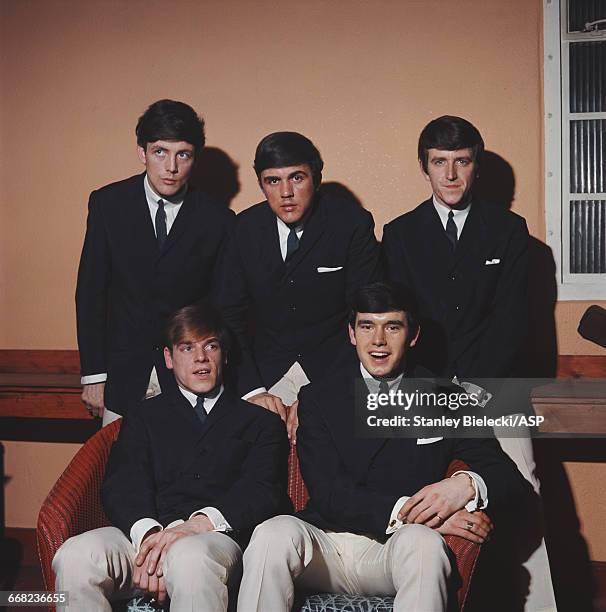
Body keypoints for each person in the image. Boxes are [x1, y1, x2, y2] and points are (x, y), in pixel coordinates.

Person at [238, 282, 528, 612]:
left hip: (391, 551)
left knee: (425, 546)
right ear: (352, 334)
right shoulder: (319, 397)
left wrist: (464, 485)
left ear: (413, 334)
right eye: (367, 326)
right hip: (325, 544)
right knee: (272, 533)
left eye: (392, 326)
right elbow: (330, 493)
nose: (378, 341)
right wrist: (421, 515)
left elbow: (508, 479)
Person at [382, 116, 556, 611]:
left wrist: (474, 387)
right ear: (425, 168)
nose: (451, 175)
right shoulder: (399, 234)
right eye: (440, 163)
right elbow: (400, 322)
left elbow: (514, 321)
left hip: (495, 385)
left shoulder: (509, 230)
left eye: (462, 162)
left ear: (476, 167)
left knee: (522, 481)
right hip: (425, 386)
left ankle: (537, 606)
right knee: (422, 487)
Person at [53, 302, 291, 611]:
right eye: (187, 348)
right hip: (147, 536)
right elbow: (122, 483)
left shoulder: (260, 422)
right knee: (76, 555)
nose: (201, 359)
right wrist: (150, 536)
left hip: (215, 541)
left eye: (211, 346)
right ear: (169, 358)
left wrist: (196, 526)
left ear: (226, 355)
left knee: (190, 558)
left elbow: (262, 492)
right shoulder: (142, 417)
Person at [76, 99, 234, 424]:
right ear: (142, 153)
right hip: (122, 375)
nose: (171, 167)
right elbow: (91, 293)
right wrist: (93, 375)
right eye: (160, 152)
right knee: (121, 470)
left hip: (189, 376)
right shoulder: (108, 204)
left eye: (183, 154)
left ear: (194, 159)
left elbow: (220, 307)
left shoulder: (218, 219)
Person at [215, 131, 382, 438]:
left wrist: (325, 394)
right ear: (262, 185)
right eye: (272, 181)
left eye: (297, 178)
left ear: (316, 179)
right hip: (263, 372)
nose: (286, 192)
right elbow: (229, 316)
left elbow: (366, 318)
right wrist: (252, 389)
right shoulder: (243, 229)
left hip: (334, 370)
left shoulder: (351, 223)